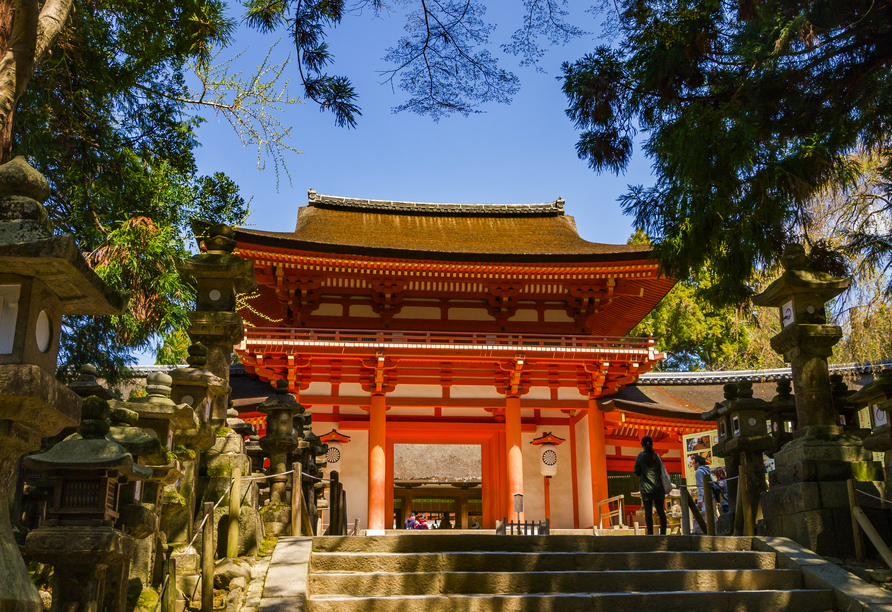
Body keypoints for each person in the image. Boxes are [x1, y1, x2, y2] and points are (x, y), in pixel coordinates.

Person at [633, 435, 668, 535]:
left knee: (648, 511)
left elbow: (636, 472)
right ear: (652, 445)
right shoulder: (657, 457)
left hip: (646, 489)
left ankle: (650, 533)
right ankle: (663, 533)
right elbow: (661, 470)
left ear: (643, 446)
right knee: (660, 511)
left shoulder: (640, 457)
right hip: (658, 487)